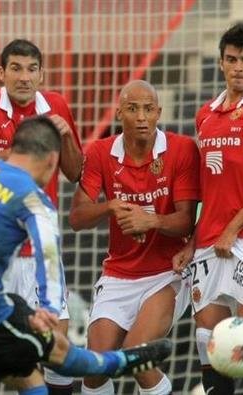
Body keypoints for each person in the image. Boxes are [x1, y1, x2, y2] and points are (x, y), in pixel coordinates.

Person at [0, 116, 172, 395]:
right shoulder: (33, 198)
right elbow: (49, 257)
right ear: (53, 160)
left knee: (26, 366)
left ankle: (114, 361)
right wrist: (50, 311)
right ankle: (117, 362)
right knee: (56, 356)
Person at [0, 38, 83, 394]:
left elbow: (75, 173)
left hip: (42, 250)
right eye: (15, 68)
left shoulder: (56, 106)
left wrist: (66, 137)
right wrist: (18, 153)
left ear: (41, 74)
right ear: (1, 72)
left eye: (31, 69)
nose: (24, 77)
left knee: (57, 350)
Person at [172, 23, 243, 395]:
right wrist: (193, 239)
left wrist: (233, 228)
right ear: (221, 63)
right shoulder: (205, 114)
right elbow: (207, 186)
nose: (238, 67)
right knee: (210, 339)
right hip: (208, 239)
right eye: (231, 59)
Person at [68, 80, 199, 395]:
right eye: (133, 108)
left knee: (137, 353)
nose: (141, 117)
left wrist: (149, 220)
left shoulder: (181, 149)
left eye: (148, 109)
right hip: (119, 274)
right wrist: (109, 207)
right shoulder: (101, 152)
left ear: (159, 113)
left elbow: (186, 222)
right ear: (118, 113)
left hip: (167, 273)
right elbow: (76, 218)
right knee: (94, 367)